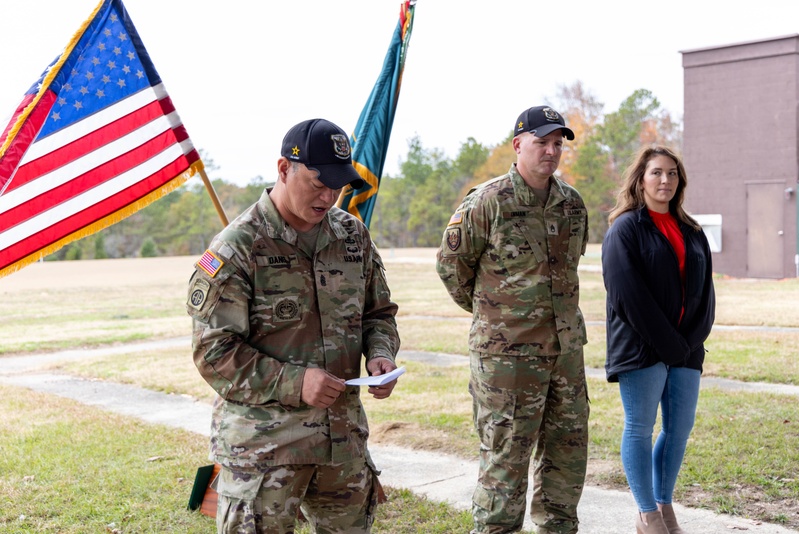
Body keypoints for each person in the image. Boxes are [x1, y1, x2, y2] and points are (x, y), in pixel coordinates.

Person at [186, 118, 401, 534]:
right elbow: (214, 353)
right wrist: (295, 383)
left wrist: (380, 354)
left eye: (337, 185)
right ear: (284, 169)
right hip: (266, 453)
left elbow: (378, 313)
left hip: (342, 444)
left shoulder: (352, 235)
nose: (328, 196)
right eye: (318, 183)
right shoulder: (237, 247)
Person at [435, 105, 590, 534]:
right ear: (518, 144)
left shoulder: (571, 204)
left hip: (565, 353)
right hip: (508, 360)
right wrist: (497, 318)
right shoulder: (488, 201)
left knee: (568, 455)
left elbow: (570, 266)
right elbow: (452, 268)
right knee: (506, 460)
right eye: (542, 142)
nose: (551, 152)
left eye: (558, 144)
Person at [601, 145, 715, 534]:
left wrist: (690, 340)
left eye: (672, 173)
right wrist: (667, 343)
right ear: (640, 179)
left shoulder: (693, 231)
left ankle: (665, 508)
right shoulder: (625, 228)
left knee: (679, 429)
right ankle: (647, 515)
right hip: (641, 348)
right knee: (639, 427)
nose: (665, 180)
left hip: (686, 350)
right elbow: (626, 294)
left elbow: (706, 293)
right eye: (656, 173)